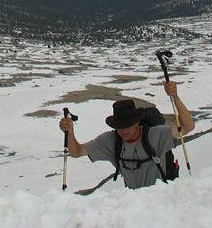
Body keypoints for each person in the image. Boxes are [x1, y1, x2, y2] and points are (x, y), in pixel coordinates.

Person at [59, 81, 195, 189]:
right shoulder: (110, 141)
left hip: (161, 203)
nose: (124, 131)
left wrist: (175, 96)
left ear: (137, 123)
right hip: (133, 208)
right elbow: (76, 152)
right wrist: (70, 133)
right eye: (120, 127)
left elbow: (188, 127)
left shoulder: (155, 135)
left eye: (128, 125)